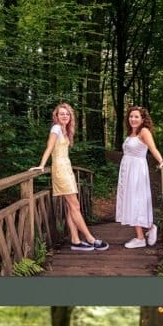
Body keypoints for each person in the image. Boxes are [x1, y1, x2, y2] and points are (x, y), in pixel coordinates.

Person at [31, 103, 109, 252]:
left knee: (70, 206)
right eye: (61, 114)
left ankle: (75, 240)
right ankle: (90, 238)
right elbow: (49, 147)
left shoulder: (65, 129)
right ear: (56, 116)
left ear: (70, 116)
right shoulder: (55, 129)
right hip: (60, 170)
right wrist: (41, 165)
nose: (64, 116)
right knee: (75, 206)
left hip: (66, 168)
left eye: (67, 114)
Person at [116, 106, 163, 249]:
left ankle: (141, 237)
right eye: (131, 116)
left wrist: (161, 162)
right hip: (127, 171)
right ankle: (149, 227)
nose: (133, 119)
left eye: (136, 117)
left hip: (137, 171)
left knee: (136, 201)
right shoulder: (132, 132)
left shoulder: (144, 131)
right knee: (131, 201)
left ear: (143, 119)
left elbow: (153, 148)